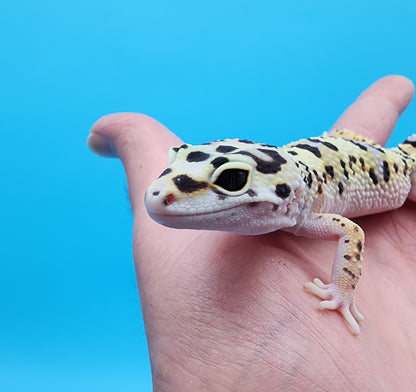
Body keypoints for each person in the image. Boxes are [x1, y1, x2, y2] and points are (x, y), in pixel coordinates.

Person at [88, 75, 416, 391]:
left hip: (400, 168)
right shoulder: (289, 202)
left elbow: (351, 232)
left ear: (287, 193)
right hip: (335, 152)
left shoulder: (305, 216)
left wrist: (342, 290)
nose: (164, 194)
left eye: (232, 181)